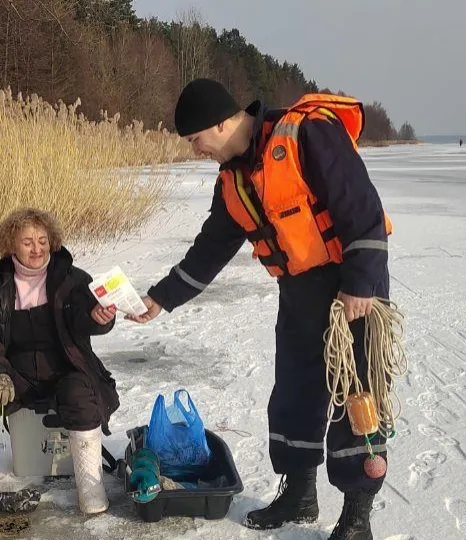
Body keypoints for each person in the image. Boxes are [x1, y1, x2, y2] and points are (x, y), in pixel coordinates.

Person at [127, 79, 391, 539]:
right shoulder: (233, 179)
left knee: (357, 398)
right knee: (294, 393)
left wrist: (361, 282)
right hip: (299, 293)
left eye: (195, 139)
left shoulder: (307, 134)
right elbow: (210, 249)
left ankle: (357, 514)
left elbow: (361, 206)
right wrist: (161, 298)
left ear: (223, 122)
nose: (196, 149)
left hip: (351, 288)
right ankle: (299, 494)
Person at [0, 207, 120, 515]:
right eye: (27, 241)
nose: (36, 248)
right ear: (11, 244)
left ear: (52, 241)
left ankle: (89, 484)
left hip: (66, 367)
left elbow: (87, 320)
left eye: (42, 240)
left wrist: (98, 318)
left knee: (81, 395)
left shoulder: (73, 280)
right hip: (14, 372)